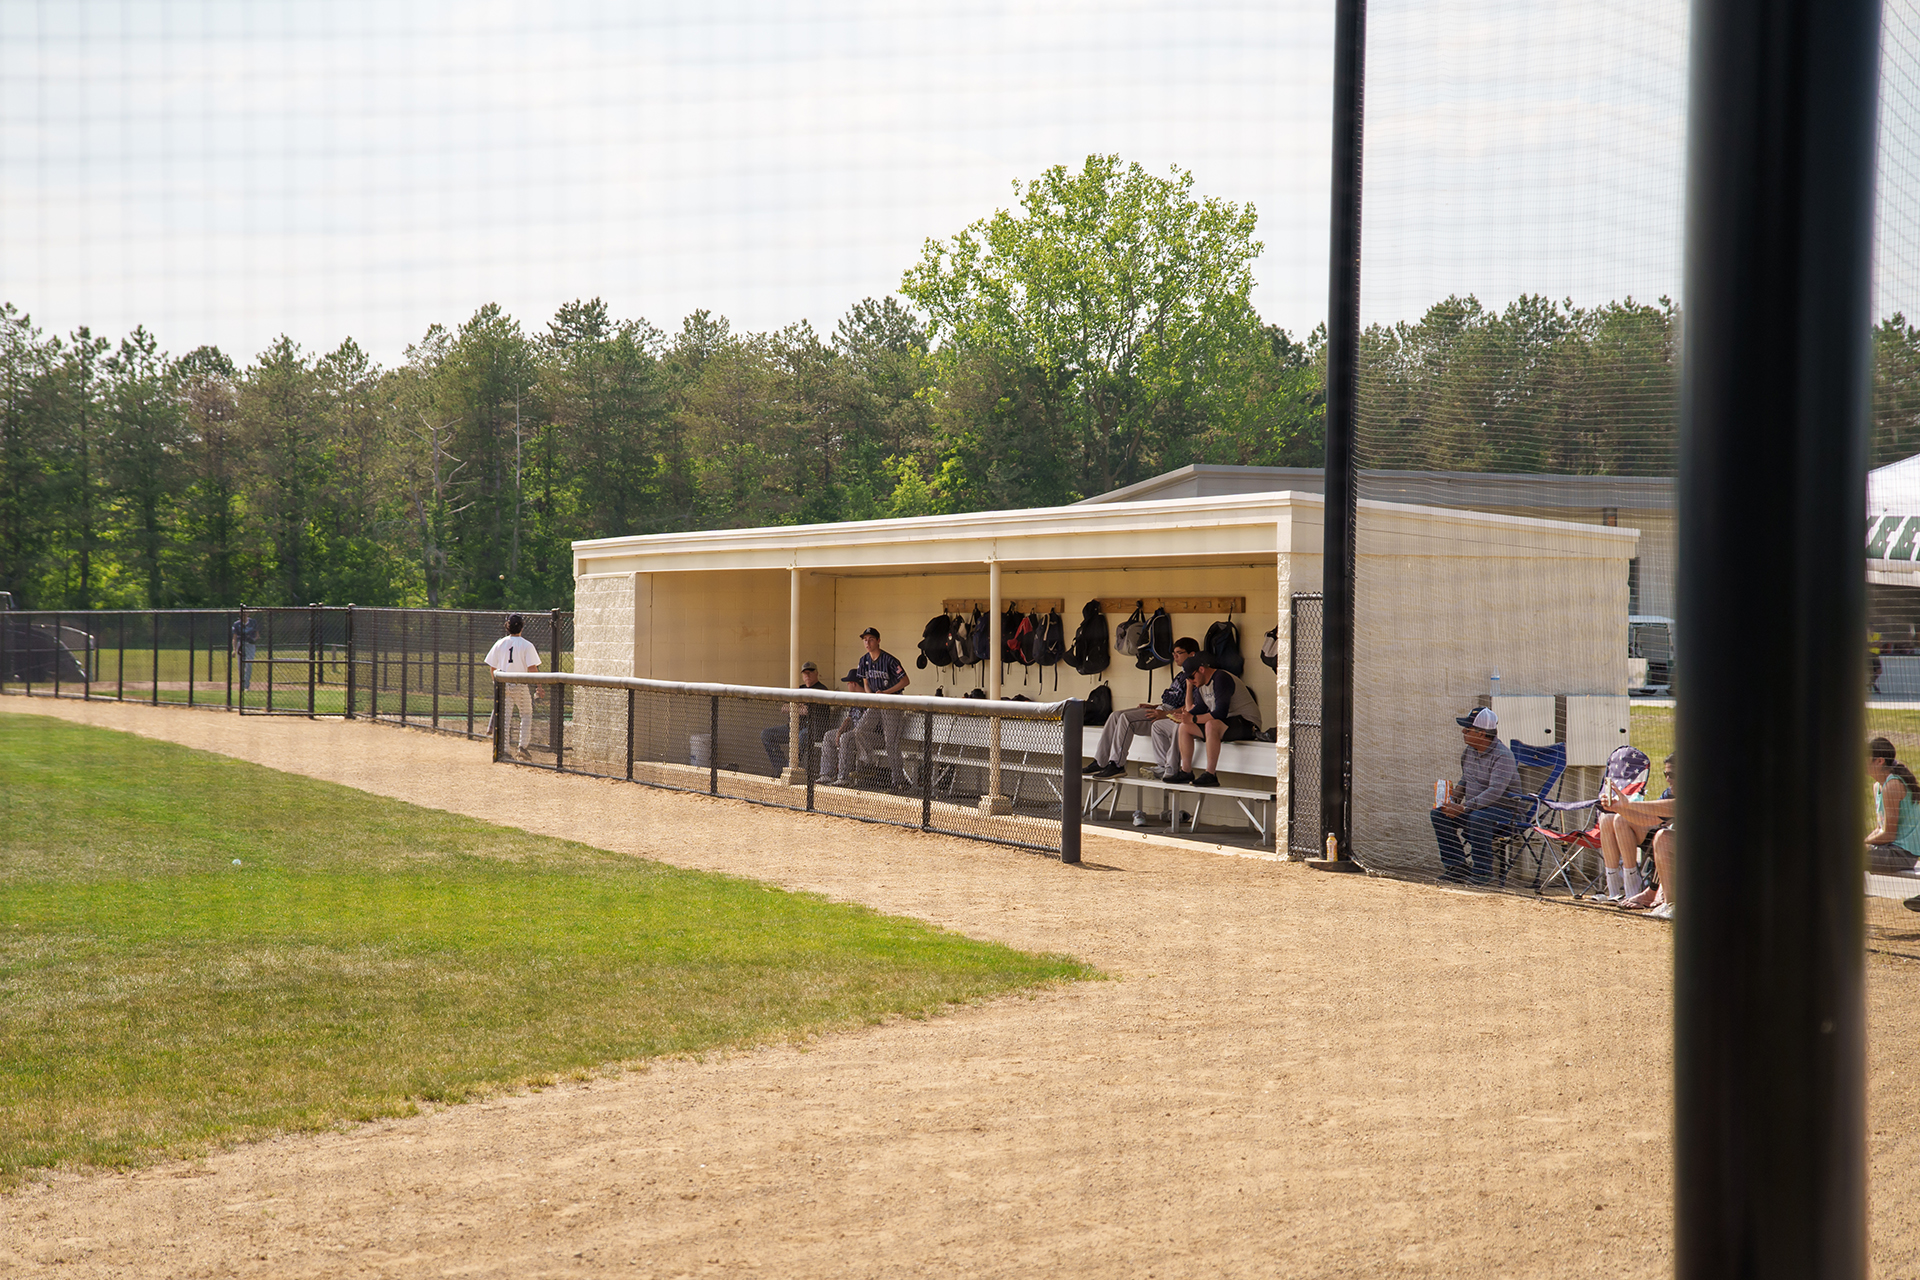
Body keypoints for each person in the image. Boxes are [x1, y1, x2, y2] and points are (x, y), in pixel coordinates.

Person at [1430, 706, 1523, 885]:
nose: (1463, 732)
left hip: (1506, 812)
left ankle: (1483, 872)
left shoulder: (1503, 756)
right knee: (1439, 814)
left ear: (1481, 734)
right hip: (1475, 809)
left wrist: (1464, 807)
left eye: (1467, 729)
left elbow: (1495, 791)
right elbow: (1467, 777)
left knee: (1477, 818)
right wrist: (1456, 793)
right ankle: (1456, 868)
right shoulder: (1470, 751)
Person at [1083, 636, 1199, 777]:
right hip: (1162, 709)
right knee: (1115, 716)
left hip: (1170, 716)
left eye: (1179, 653)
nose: (1175, 657)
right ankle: (1100, 761)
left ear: (1192, 654)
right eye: (1173, 653)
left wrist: (1163, 714)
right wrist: (1155, 706)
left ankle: (1116, 764)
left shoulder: (1196, 676)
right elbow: (1173, 699)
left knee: (1126, 718)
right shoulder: (1181, 675)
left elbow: (1191, 706)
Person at [1165, 653, 1262, 788]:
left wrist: (1193, 718)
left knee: (1211, 724)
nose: (1191, 681)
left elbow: (1220, 712)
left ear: (1202, 669)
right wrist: (1184, 717)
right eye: (1188, 679)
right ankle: (1186, 771)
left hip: (1247, 723)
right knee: (1184, 726)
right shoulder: (1201, 684)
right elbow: (1200, 708)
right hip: (1226, 723)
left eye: (1192, 677)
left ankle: (1211, 774)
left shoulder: (1221, 677)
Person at [845, 627, 911, 789]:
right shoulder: (863, 660)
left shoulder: (889, 660)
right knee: (859, 730)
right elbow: (866, 682)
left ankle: (899, 781)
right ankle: (868, 764)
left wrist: (885, 693)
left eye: (871, 639)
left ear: (878, 640)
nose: (867, 642)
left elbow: (905, 681)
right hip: (876, 702)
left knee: (891, 744)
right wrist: (872, 696)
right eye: (865, 639)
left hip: (892, 703)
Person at [1612, 755, 1676, 917]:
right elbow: (1647, 820)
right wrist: (1619, 808)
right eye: (1666, 775)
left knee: (1664, 837)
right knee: (1662, 837)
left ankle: (1658, 894)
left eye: (1673, 775)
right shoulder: (1670, 792)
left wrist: (1629, 804)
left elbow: (1674, 807)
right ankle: (1670, 904)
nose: (1668, 780)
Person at [484, 614, 541, 759]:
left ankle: (505, 750)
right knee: (526, 714)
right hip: (520, 685)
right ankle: (522, 746)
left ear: (507, 626)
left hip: (503, 685)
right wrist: (539, 687)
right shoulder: (526, 645)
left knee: (505, 719)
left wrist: (496, 685)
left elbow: (492, 668)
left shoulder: (500, 643)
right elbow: (532, 668)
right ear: (522, 627)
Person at [761, 661, 827, 774]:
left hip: (813, 730)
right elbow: (784, 708)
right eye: (805, 673)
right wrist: (799, 707)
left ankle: (789, 770)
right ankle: (781, 768)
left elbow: (806, 711)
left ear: (816, 673)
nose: (807, 675)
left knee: (802, 735)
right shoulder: (799, 688)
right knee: (766, 734)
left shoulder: (821, 689)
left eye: (810, 672)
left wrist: (798, 707)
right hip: (793, 728)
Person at [1867, 737, 1920, 875]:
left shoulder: (1892, 785)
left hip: (1901, 855)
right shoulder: (1878, 786)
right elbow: (1880, 829)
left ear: (1879, 761)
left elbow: (1889, 834)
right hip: (1889, 849)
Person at [818, 670, 869, 783]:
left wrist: (845, 734)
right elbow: (849, 718)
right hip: (853, 734)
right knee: (829, 735)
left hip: (868, 737)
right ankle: (826, 774)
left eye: (848, 683)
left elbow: (865, 726)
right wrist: (840, 731)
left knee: (846, 738)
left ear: (854, 684)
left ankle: (843, 778)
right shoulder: (855, 699)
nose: (847, 685)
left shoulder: (868, 698)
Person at [230, 606, 259, 693]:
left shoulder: (253, 622)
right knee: (241, 665)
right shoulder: (236, 624)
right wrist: (234, 649)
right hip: (240, 645)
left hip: (250, 645)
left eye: (246, 612)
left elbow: (257, 635)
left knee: (249, 663)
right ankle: (242, 685)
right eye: (243, 612)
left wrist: (253, 639)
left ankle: (246, 685)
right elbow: (234, 638)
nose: (245, 614)